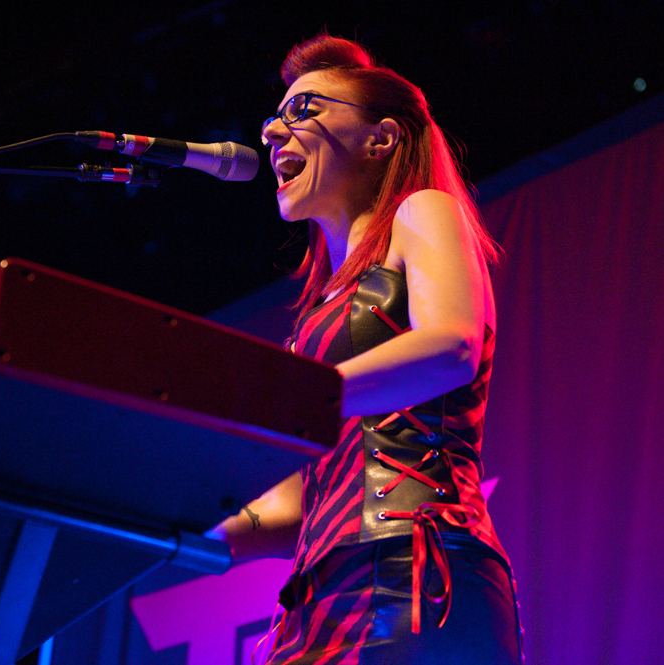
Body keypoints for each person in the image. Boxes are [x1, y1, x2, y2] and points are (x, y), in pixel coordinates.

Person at [208, 34, 523, 664]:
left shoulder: (423, 211)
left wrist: (291, 394)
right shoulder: (314, 318)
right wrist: (163, 529)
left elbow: (451, 344)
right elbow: (291, 507)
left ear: (380, 139)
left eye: (305, 110)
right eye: (275, 116)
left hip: (415, 569)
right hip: (316, 599)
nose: (271, 132)